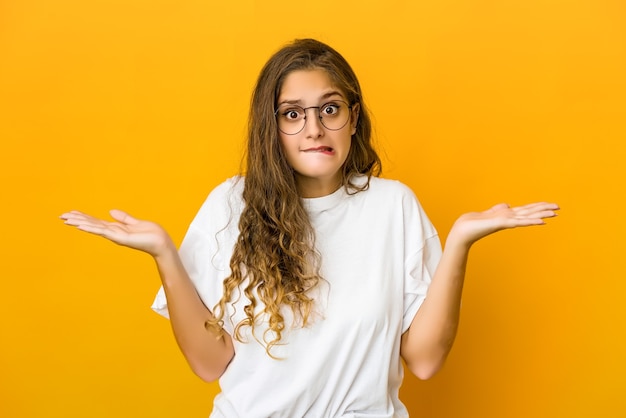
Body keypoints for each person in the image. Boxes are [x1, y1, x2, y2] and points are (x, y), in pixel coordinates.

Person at [60, 38, 559, 417]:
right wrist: (164, 254)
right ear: (271, 127)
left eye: (330, 109)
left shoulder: (393, 207)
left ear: (353, 117)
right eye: (292, 114)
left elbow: (424, 362)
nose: (314, 128)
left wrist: (459, 245)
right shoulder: (229, 205)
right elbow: (210, 364)